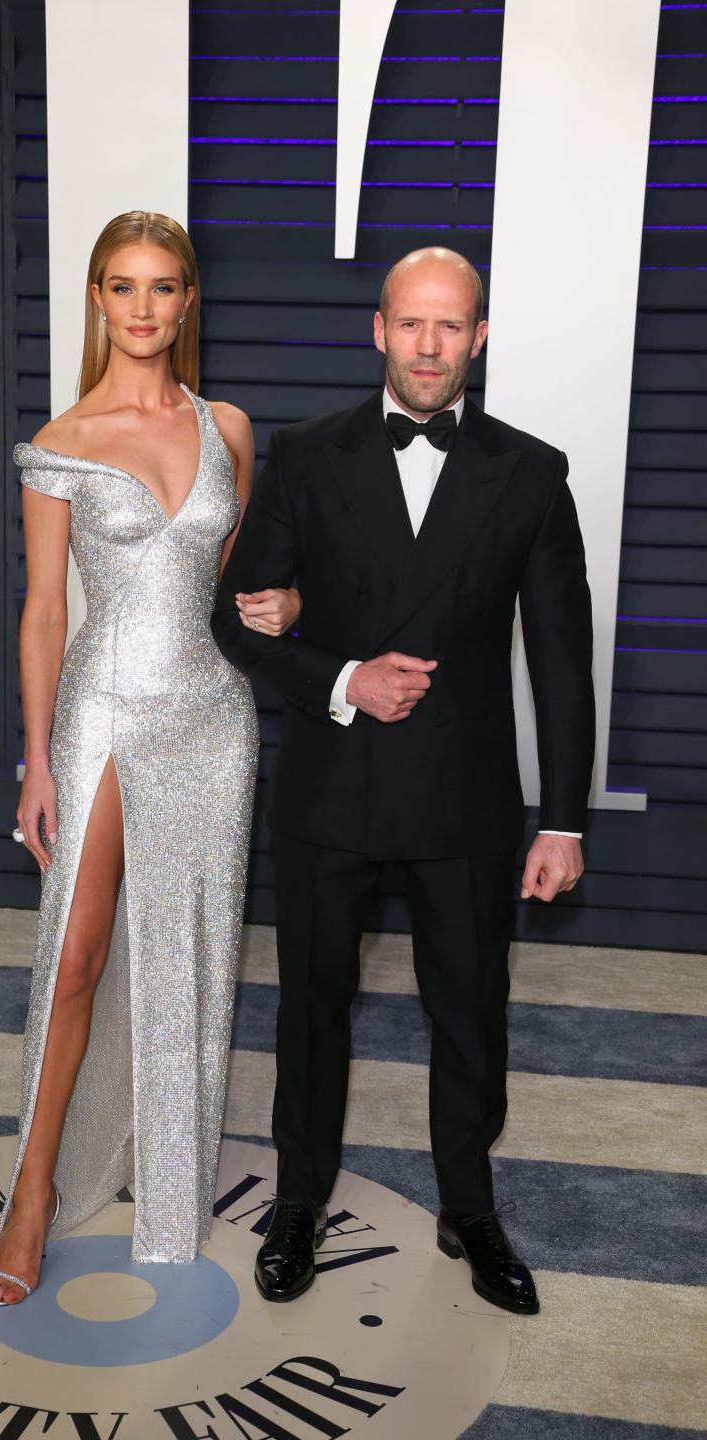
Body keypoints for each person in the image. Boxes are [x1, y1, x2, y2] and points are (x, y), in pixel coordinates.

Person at [211, 247, 594, 1316]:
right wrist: (340, 676)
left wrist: (561, 821)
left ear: (480, 337)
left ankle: (470, 1208)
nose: (430, 346)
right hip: (331, 787)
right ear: (378, 331)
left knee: (472, 1015)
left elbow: (564, 662)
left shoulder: (531, 472)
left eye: (452, 326)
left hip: (465, 802)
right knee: (311, 1013)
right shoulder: (306, 455)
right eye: (411, 324)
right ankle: (297, 1204)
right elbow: (230, 623)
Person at [0, 211, 302, 1306]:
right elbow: (39, 614)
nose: (144, 308)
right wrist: (36, 761)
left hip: (213, 717)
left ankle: (169, 1200)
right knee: (74, 960)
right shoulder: (61, 441)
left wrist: (287, 600)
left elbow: (244, 576)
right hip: (105, 712)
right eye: (124, 287)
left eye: (164, 287)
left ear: (188, 300)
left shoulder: (228, 428)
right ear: (98, 300)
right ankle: (31, 1198)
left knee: (190, 959)